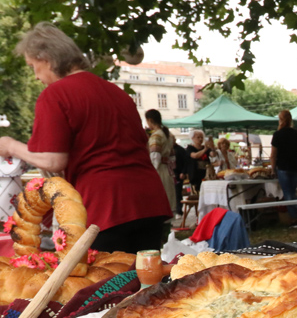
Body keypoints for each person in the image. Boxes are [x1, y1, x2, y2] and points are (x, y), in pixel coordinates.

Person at [0, 23, 170, 252]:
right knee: (148, 282)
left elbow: (53, 161)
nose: (36, 76)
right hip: (150, 201)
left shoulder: (56, 94)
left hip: (106, 206)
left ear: (47, 59)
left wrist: (10, 145)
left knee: (105, 285)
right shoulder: (117, 93)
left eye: (33, 66)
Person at [270, 109, 297, 227]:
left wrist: (272, 168)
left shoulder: (278, 135)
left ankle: (295, 217)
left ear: (280, 120)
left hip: (283, 167)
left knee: (288, 193)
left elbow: (273, 154)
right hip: (295, 166)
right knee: (292, 191)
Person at [145, 109, 176, 213]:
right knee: (168, 197)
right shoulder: (168, 135)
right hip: (167, 170)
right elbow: (172, 157)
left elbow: (155, 157)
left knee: (160, 199)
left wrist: (151, 172)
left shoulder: (156, 135)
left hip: (160, 171)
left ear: (149, 120)